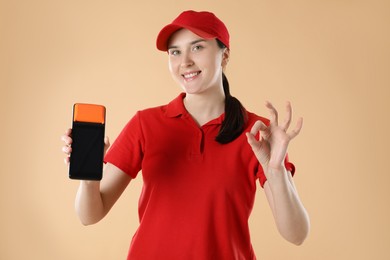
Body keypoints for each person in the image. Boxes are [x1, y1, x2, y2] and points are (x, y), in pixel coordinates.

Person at [61, 10, 310, 260]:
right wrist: (88, 173)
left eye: (197, 47)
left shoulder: (259, 133)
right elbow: (89, 215)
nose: (185, 62)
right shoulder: (145, 124)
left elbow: (296, 234)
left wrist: (276, 171)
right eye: (175, 52)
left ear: (224, 55)